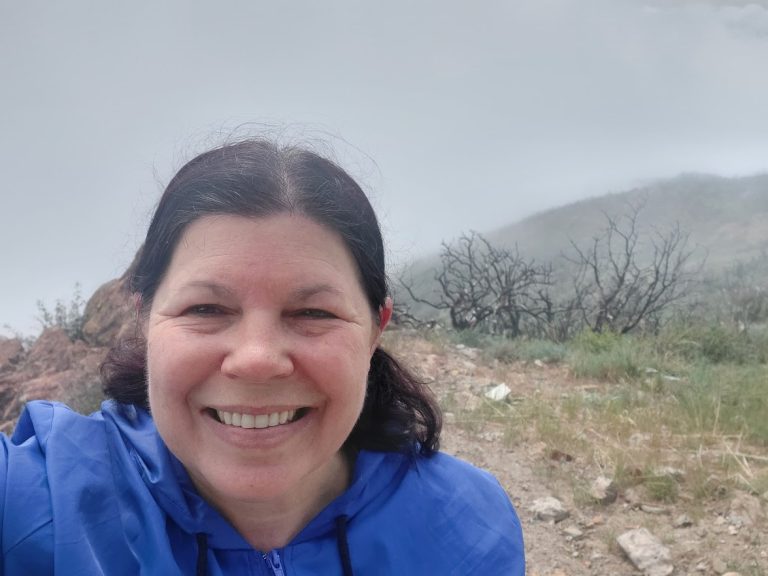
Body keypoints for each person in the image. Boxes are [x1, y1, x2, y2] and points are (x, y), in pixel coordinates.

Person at [1, 139, 525, 575]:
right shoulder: (37, 501)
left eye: (313, 313)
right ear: (145, 321)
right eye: (206, 307)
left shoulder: (468, 527)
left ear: (375, 329)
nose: (255, 359)